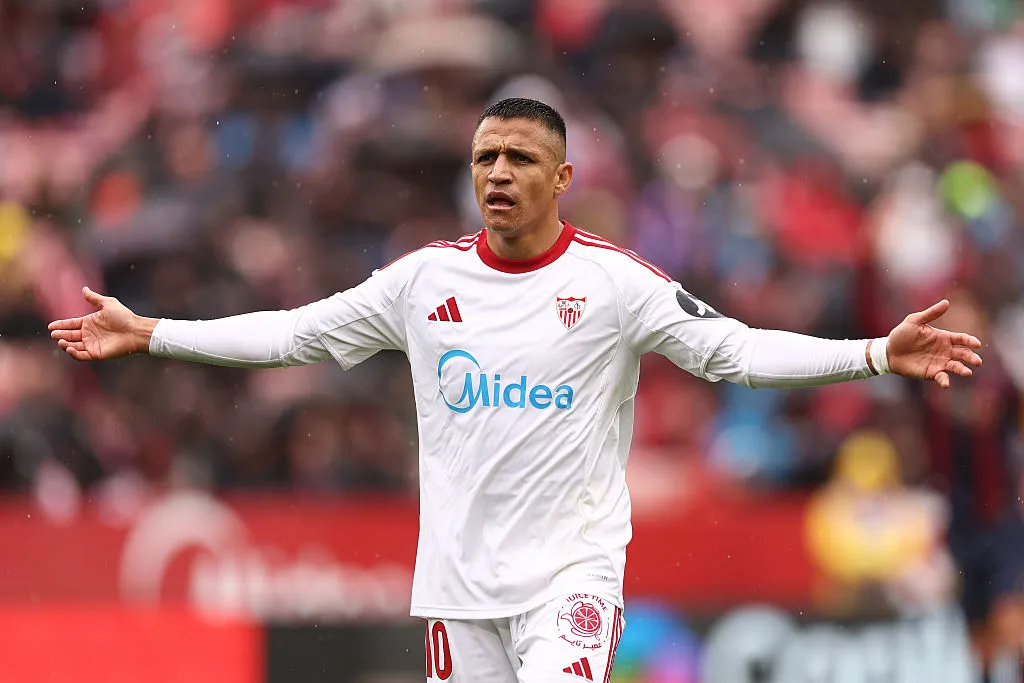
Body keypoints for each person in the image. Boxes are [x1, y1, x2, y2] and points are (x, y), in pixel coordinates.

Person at [49, 98, 983, 683]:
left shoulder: (618, 284)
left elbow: (732, 353)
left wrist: (869, 353)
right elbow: (293, 335)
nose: (498, 173)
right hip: (457, 586)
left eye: (520, 160)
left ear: (563, 177)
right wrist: (153, 332)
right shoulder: (422, 283)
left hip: (569, 577)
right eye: (486, 158)